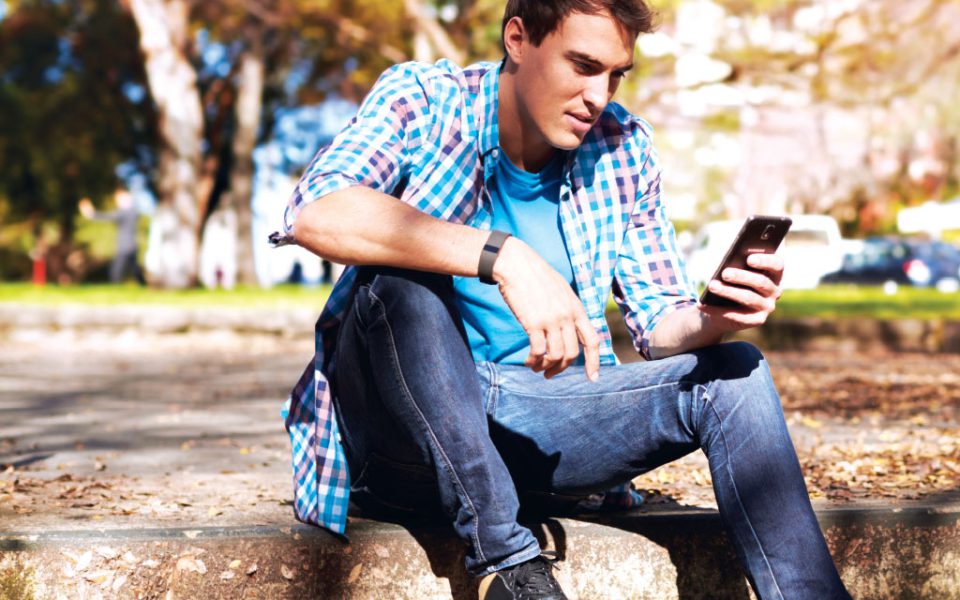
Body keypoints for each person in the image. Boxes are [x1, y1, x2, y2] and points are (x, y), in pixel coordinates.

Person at [271, 1, 851, 598]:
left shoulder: (621, 147)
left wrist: (711, 317)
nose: (598, 95)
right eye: (582, 65)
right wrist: (504, 256)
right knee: (394, 283)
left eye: (616, 73)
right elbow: (317, 211)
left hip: (540, 425)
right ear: (518, 39)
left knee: (737, 374)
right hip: (406, 441)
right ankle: (512, 568)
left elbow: (658, 324)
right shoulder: (424, 100)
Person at [79, 189, 142, 284]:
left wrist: (92, 214)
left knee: (116, 271)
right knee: (135, 271)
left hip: (125, 247)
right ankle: (144, 285)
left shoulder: (127, 212)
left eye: (120, 199)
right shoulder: (132, 212)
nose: (118, 202)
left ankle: (116, 286)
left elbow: (109, 217)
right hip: (131, 246)